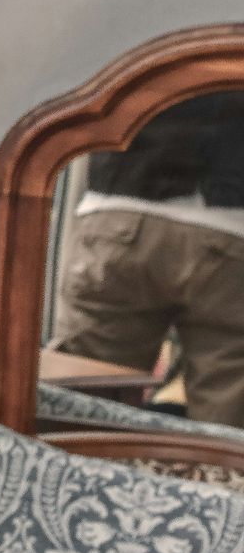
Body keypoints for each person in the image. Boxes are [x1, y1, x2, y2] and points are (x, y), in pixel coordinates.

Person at [50, 90, 244, 426]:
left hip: (124, 201)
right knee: (227, 422)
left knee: (84, 403)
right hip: (233, 224)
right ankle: (214, 476)